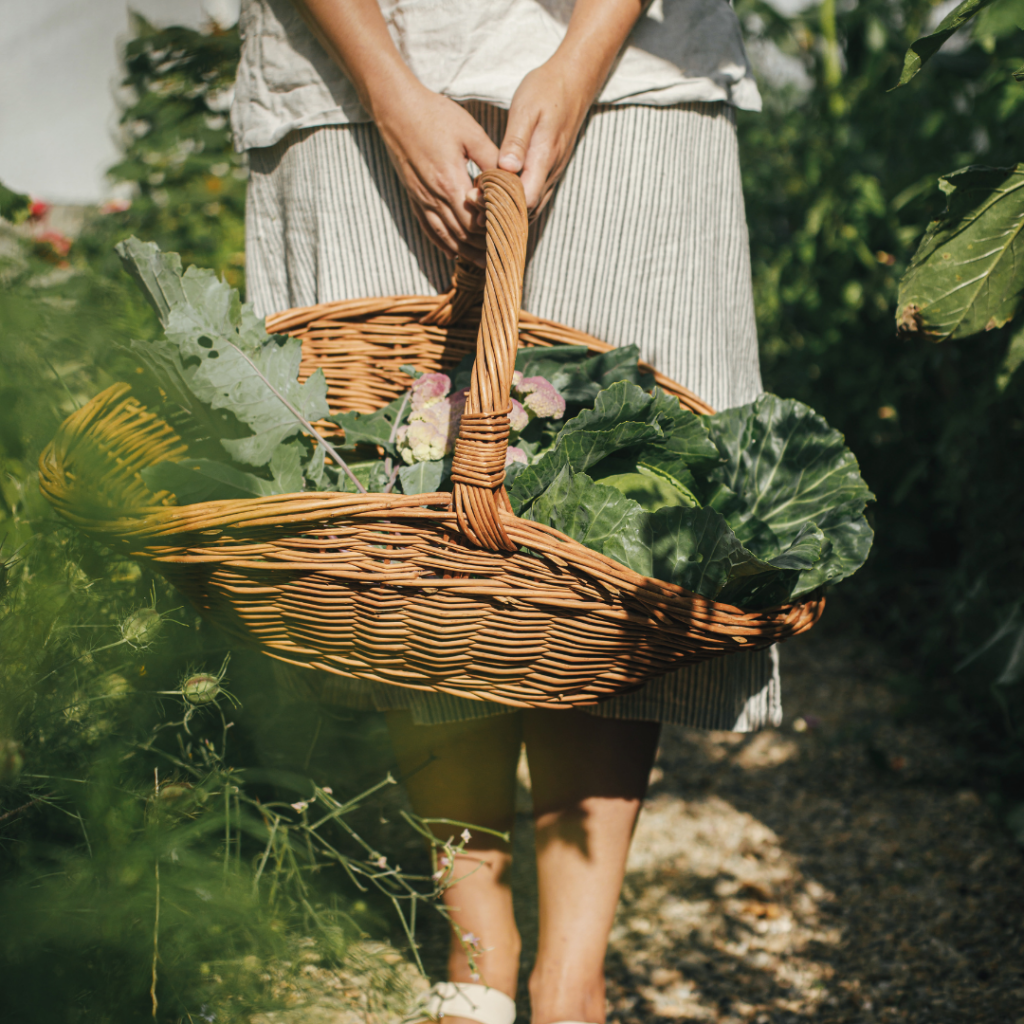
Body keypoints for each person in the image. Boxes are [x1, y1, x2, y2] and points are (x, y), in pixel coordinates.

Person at [232, 2, 769, 1021]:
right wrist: (389, 90)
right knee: (396, 520)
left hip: (630, 72)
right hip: (352, 72)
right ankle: (476, 947)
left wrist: (579, 60)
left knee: (618, 518)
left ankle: (572, 976)